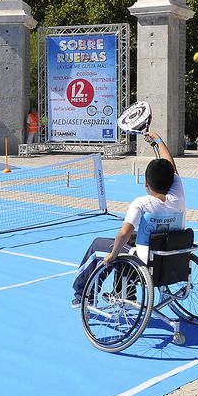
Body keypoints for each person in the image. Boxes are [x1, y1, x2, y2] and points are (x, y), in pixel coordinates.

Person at [71, 131, 182, 308]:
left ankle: (83, 294)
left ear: (146, 183)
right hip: (173, 255)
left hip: (146, 260)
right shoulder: (178, 195)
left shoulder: (141, 203)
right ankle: (123, 290)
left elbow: (123, 232)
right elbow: (171, 165)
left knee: (102, 246)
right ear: (173, 180)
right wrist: (158, 140)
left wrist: (112, 255)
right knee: (130, 241)